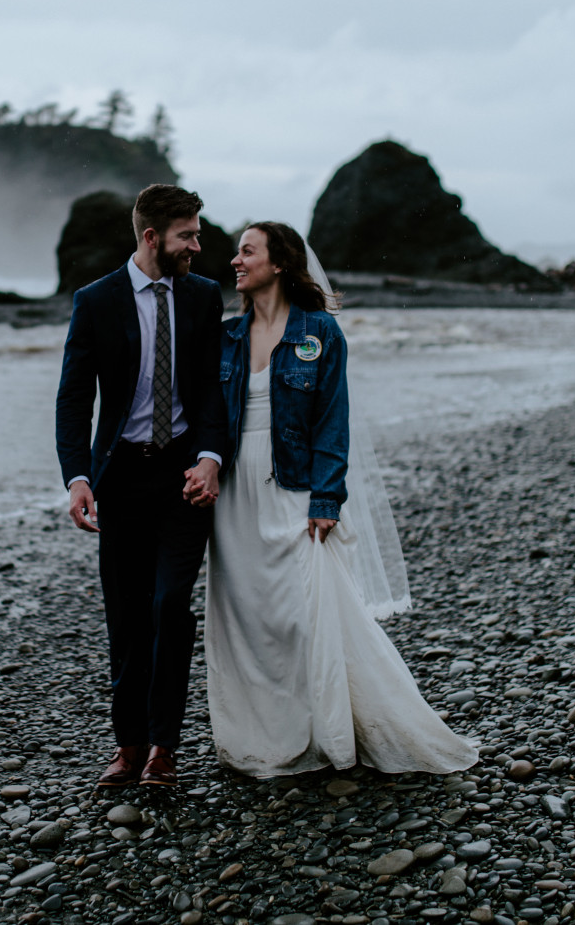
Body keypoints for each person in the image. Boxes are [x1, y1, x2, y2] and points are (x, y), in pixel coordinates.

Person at [204, 220, 477, 778]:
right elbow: (208, 421)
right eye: (236, 252)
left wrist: (326, 497)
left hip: (295, 484)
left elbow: (333, 422)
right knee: (248, 618)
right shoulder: (226, 337)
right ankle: (266, 739)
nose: (235, 261)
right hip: (232, 494)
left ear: (278, 263)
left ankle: (335, 728)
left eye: (247, 251)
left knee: (305, 612)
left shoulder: (319, 334)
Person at [55, 184, 228, 788]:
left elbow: (212, 389)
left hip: (184, 475)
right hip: (121, 476)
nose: (198, 246)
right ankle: (127, 746)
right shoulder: (96, 300)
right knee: (126, 615)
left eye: (197, 234)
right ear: (153, 237)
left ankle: (163, 749)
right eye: (187, 235)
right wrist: (77, 477)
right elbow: (75, 398)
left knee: (169, 608)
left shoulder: (204, 298)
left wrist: (210, 457)